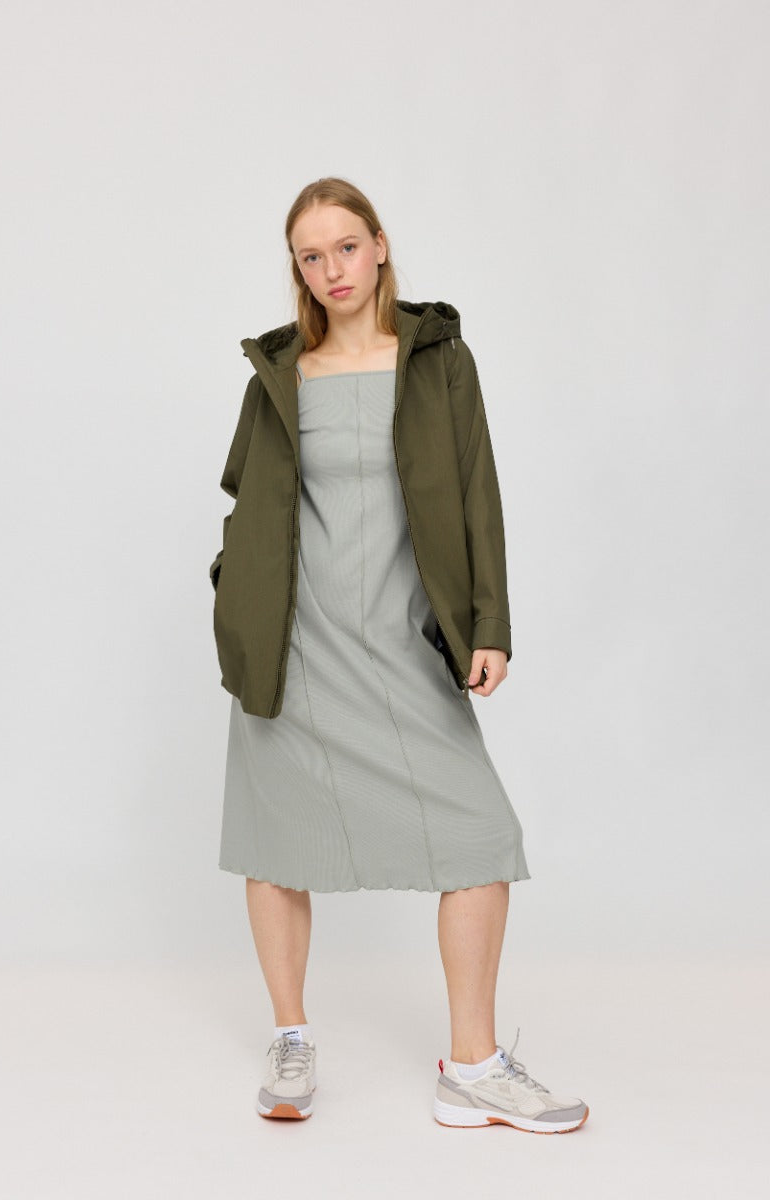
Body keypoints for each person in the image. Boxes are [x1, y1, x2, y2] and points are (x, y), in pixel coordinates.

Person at [209, 177, 589, 1132]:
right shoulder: (279, 372)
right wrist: (234, 599)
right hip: (293, 645)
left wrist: (490, 623)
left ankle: (474, 1064)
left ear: (379, 245)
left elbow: (476, 490)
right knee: (275, 843)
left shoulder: (436, 360)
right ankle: (292, 1039)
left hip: (401, 643)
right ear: (297, 269)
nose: (332, 269)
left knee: (480, 836)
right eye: (310, 256)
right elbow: (245, 496)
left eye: (346, 246)